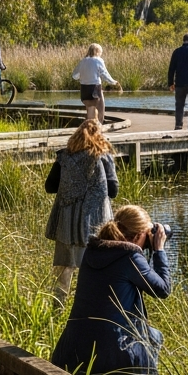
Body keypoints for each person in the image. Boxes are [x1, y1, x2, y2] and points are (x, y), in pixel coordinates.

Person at [51, 205, 170, 375]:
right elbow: (163, 290)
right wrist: (158, 250)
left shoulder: (91, 251)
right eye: (149, 233)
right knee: (153, 339)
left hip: (72, 350)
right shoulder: (130, 256)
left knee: (153, 335)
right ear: (140, 234)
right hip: (115, 356)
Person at [43, 120, 118, 303]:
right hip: (95, 224)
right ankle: (90, 311)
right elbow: (113, 190)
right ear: (99, 137)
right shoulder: (103, 156)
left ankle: (57, 309)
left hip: (66, 225)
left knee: (64, 270)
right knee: (95, 271)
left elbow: (50, 186)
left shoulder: (64, 158)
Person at [72, 43, 119, 124]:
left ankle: (89, 131)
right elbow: (104, 74)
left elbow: (74, 76)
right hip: (95, 88)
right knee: (101, 109)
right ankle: (99, 128)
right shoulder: (98, 60)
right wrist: (114, 82)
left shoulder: (83, 61)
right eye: (100, 53)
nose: (101, 55)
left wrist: (84, 75)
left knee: (90, 111)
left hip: (84, 90)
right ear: (97, 52)